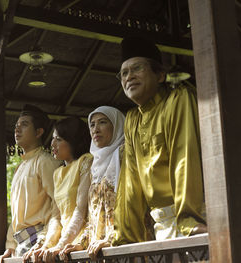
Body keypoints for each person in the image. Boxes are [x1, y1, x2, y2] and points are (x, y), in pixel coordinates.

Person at [112, 36, 207, 245]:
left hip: (194, 221)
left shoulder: (178, 99)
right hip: (161, 226)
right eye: (124, 73)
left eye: (137, 69)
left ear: (160, 75)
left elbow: (185, 158)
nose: (129, 77)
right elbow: (130, 182)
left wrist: (190, 221)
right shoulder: (132, 119)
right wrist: (123, 237)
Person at [0, 105, 62, 263]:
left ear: (39, 132)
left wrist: (46, 241)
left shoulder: (46, 162)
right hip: (21, 244)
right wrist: (10, 246)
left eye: (24, 124)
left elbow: (59, 205)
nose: (17, 129)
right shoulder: (20, 167)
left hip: (40, 241)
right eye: (16, 125)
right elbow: (16, 214)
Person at [23, 117, 93, 263]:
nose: (52, 144)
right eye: (53, 138)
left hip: (82, 243)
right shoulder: (58, 172)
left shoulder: (86, 161)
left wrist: (61, 245)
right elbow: (56, 216)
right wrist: (45, 244)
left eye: (59, 139)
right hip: (65, 244)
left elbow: (81, 210)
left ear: (73, 141)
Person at [60, 106, 125, 261]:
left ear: (117, 126)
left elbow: (134, 204)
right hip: (99, 251)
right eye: (92, 125)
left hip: (125, 246)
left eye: (102, 122)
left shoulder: (125, 154)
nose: (96, 129)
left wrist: (114, 238)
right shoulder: (94, 165)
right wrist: (82, 243)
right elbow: (94, 216)